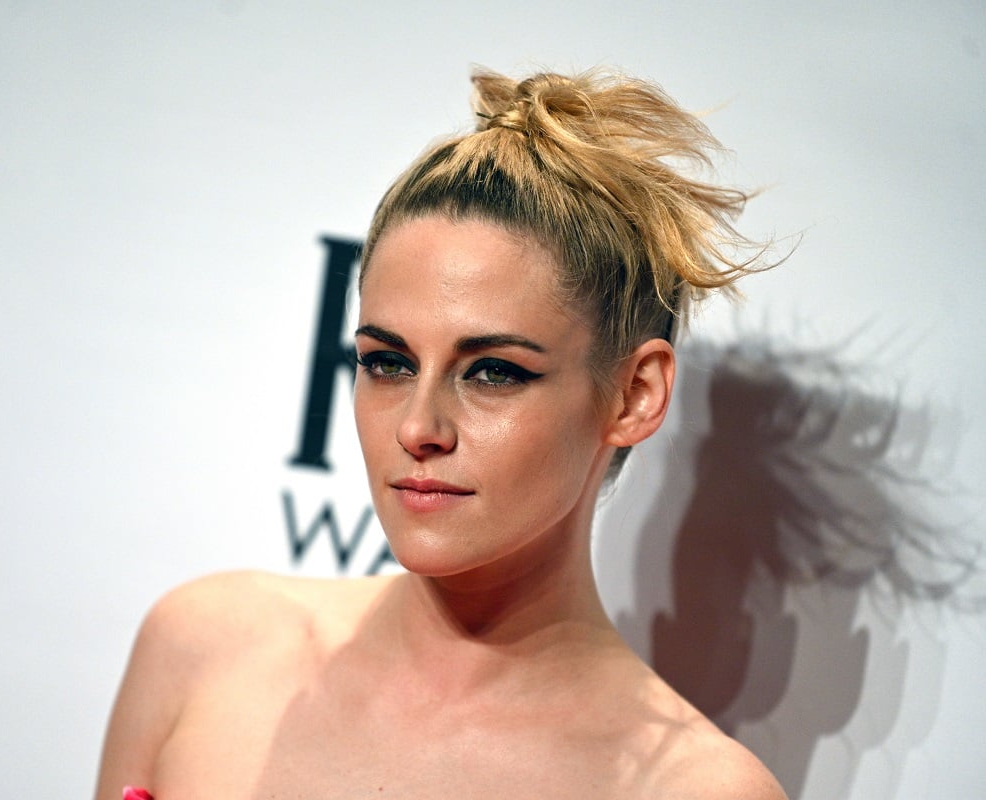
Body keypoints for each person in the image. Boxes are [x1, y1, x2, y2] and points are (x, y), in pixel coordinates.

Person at [94, 66, 788, 799]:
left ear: (634, 395)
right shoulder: (203, 648)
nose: (418, 427)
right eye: (388, 363)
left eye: (493, 372)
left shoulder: (689, 789)